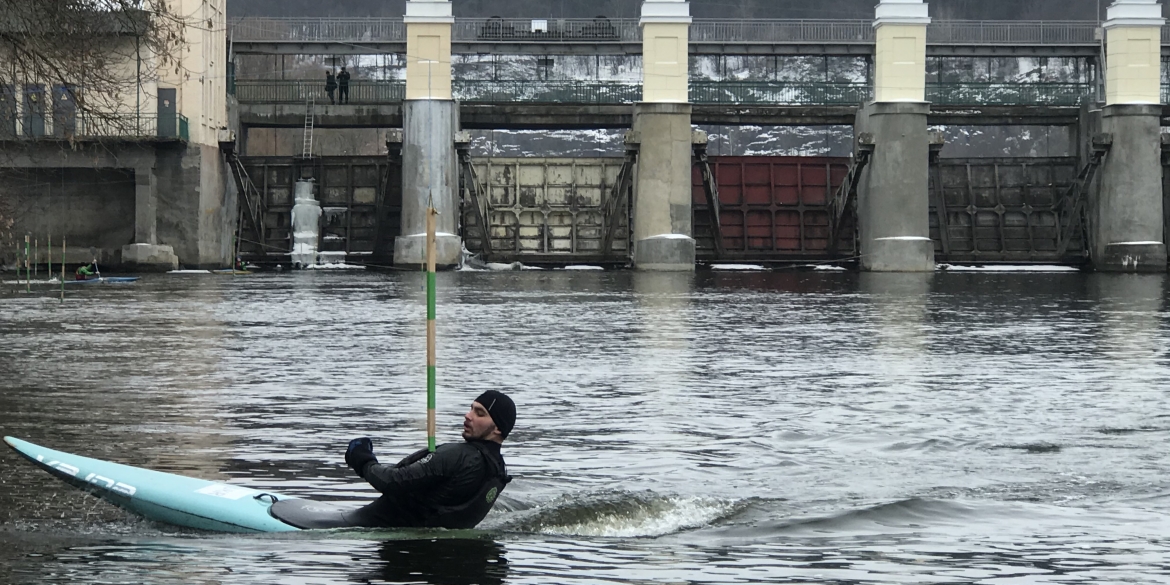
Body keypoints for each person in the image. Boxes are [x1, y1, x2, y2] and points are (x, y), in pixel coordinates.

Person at [343, 390, 515, 529]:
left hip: (371, 526)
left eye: (479, 413)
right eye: (471, 408)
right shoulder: (497, 469)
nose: (468, 415)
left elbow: (391, 481)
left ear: (498, 429)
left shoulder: (458, 456)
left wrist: (362, 458)